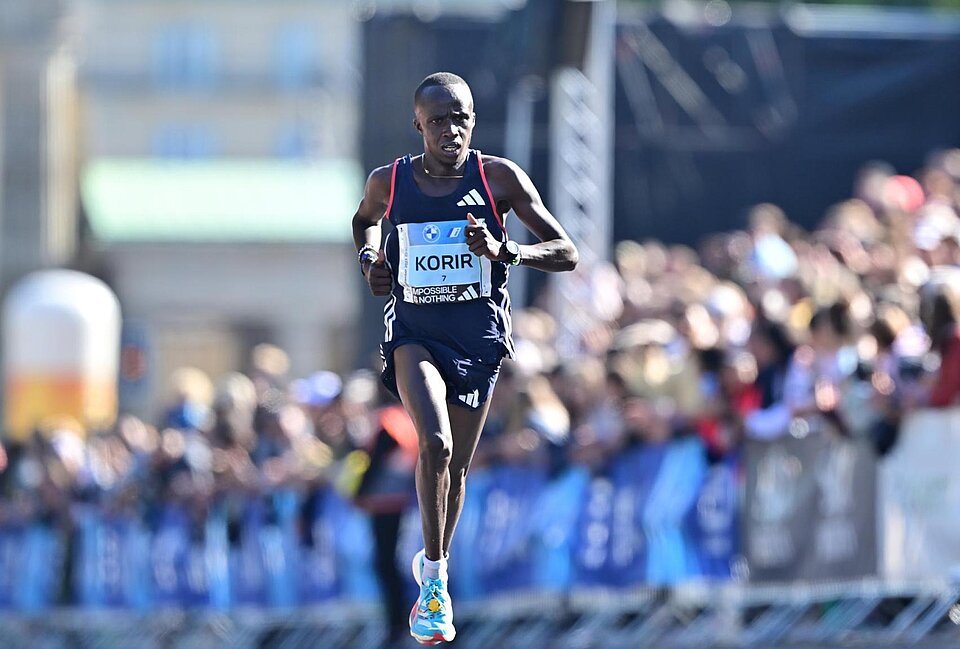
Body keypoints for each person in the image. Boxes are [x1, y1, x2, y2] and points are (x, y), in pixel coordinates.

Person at [351, 71, 578, 644]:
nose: (450, 131)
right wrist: (372, 259)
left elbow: (566, 251)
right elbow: (363, 223)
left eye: (461, 119)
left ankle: (437, 566)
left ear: (473, 120)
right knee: (435, 442)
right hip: (414, 332)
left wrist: (508, 250)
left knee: (454, 470)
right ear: (418, 126)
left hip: (476, 340)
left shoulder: (496, 177)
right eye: (437, 122)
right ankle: (431, 583)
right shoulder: (390, 181)